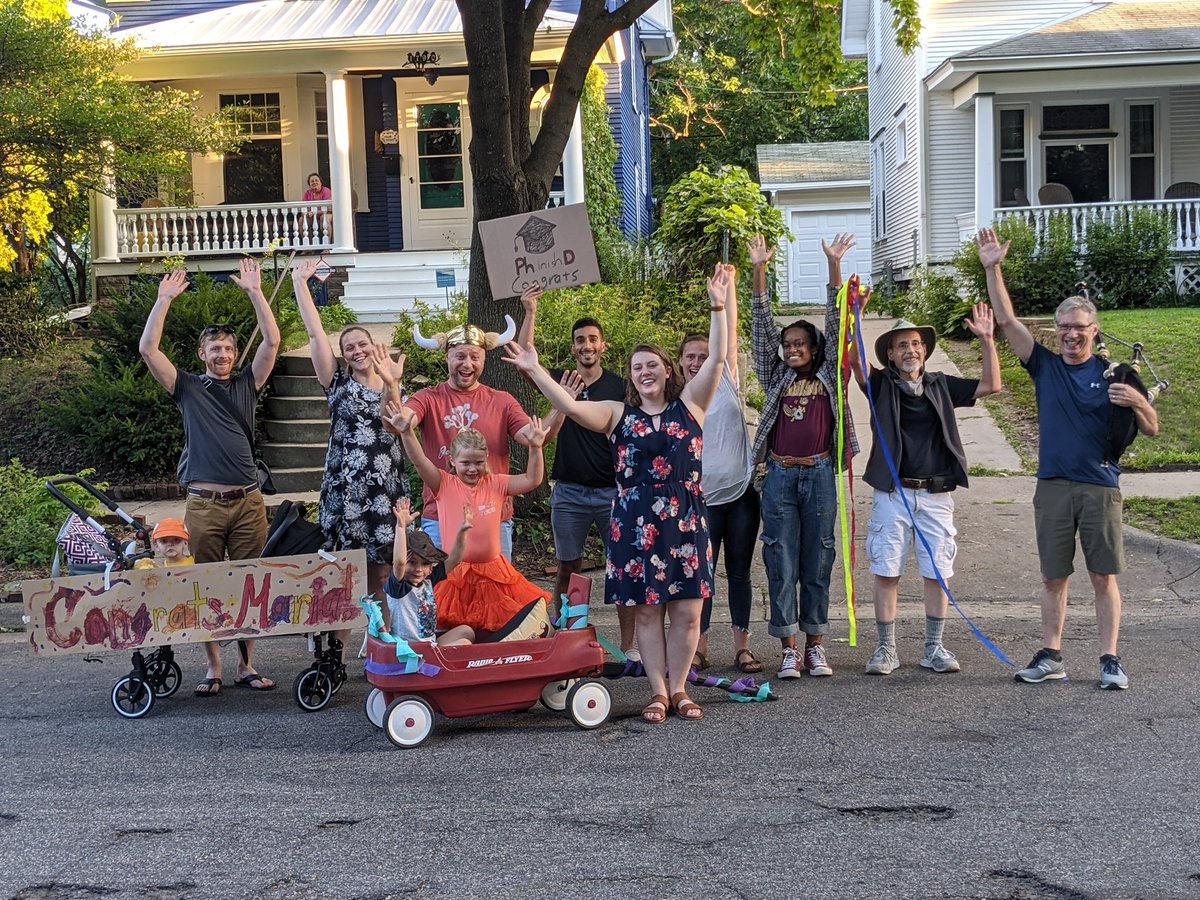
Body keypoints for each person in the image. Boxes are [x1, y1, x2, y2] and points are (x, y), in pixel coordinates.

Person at [504, 263, 730, 723]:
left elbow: (718, 359)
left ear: (668, 371)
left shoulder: (693, 406)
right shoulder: (616, 414)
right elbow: (567, 404)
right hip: (635, 522)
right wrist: (535, 368)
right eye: (637, 367)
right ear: (630, 376)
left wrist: (719, 307)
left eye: (653, 365)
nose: (645, 372)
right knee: (648, 613)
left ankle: (681, 689)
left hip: (684, 521)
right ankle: (657, 693)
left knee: (687, 611)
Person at [977, 227, 1159, 690]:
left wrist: (1136, 402)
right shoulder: (1045, 365)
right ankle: (1051, 655)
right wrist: (992, 267)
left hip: (1100, 485)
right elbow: (1007, 320)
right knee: (1053, 577)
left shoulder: (1116, 372)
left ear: (1094, 332)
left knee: (1102, 576)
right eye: (1064, 328)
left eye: (1080, 328)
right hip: (1053, 484)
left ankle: (1109, 659)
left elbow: (1153, 427)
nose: (1071, 335)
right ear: (1055, 332)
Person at [139, 260, 281, 696]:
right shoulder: (186, 387)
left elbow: (273, 340)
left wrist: (256, 293)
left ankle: (247, 665)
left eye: (228, 349)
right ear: (202, 354)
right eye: (214, 349)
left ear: (235, 353)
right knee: (203, 585)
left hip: (248, 503)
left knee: (248, 582)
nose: (222, 355)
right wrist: (163, 300)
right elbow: (148, 349)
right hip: (203, 504)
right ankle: (213, 667)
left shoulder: (246, 385)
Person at [848, 300, 1001, 676]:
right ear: (890, 355)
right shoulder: (881, 384)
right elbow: (854, 362)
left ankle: (934, 648)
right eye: (900, 346)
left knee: (938, 571)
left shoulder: (941, 385)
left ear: (925, 350)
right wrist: (856, 315)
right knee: (886, 570)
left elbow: (992, 385)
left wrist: (987, 339)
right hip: (893, 492)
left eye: (915, 344)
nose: (909, 350)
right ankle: (886, 650)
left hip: (935, 493)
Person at [750, 233, 861, 679]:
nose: (792, 348)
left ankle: (816, 644)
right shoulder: (775, 374)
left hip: (818, 476)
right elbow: (760, 324)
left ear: (814, 349)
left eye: (801, 343)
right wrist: (760, 270)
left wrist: (834, 266)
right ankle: (788, 648)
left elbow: (837, 320)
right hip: (778, 475)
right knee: (781, 557)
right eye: (788, 344)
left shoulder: (830, 373)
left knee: (818, 557)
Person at [515, 286, 636, 656]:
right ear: (572, 348)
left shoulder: (621, 386)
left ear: (603, 346)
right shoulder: (561, 381)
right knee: (567, 565)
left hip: (612, 493)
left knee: (622, 569)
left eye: (592, 339)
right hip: (568, 492)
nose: (586, 345)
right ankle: (562, 638)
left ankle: (630, 647)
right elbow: (525, 358)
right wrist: (530, 312)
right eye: (580, 340)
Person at [292, 260, 409, 596]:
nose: (357, 350)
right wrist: (301, 283)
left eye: (362, 344)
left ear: (374, 346)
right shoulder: (337, 383)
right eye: (349, 348)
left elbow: (392, 419)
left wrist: (392, 383)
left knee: (386, 565)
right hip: (347, 489)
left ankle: (382, 636)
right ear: (343, 356)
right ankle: (338, 643)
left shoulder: (394, 381)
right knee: (344, 568)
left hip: (385, 487)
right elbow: (315, 332)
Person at [387, 409, 552, 634]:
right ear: (452, 462)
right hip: (455, 574)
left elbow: (533, 479)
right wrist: (406, 432)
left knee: (498, 628)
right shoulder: (443, 483)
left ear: (486, 460)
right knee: (455, 626)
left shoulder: (497, 483)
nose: (472, 469)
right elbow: (419, 460)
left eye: (478, 462)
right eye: (465, 462)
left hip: (494, 574)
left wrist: (535, 447)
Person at [681, 264, 761, 674]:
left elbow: (728, 336)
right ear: (679, 364)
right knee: (705, 576)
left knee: (740, 573)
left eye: (702, 355)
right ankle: (700, 648)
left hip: (742, 495)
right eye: (689, 357)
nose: (697, 362)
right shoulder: (679, 399)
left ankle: (743, 647)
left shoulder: (726, 376)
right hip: (703, 500)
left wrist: (726, 291)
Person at [402, 315, 534, 560]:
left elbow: (533, 439)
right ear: (447, 357)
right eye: (460, 356)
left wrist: (561, 409)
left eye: (475, 357)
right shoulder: (428, 398)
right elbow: (404, 419)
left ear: (484, 359)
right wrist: (392, 389)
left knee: (496, 591)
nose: (467, 364)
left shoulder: (502, 401)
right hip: (440, 516)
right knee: (446, 592)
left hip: (493, 515)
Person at [380, 497, 474, 646]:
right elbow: (399, 562)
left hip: (429, 644)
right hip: (410, 651)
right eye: (412, 562)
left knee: (467, 631)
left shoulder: (428, 580)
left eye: (424, 564)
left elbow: (455, 560)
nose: (418, 569)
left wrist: (463, 531)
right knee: (464, 643)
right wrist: (401, 527)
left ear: (431, 568)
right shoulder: (398, 587)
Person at [303, 173, 332, 240]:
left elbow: (329, 208)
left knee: (324, 218)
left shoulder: (326, 191)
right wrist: (306, 213)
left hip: (327, 213)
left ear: (321, 182)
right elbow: (304, 207)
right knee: (302, 220)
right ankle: (308, 247)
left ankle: (327, 247)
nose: (314, 182)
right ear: (309, 184)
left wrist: (315, 212)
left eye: (316, 180)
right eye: (312, 181)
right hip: (313, 215)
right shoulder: (307, 193)